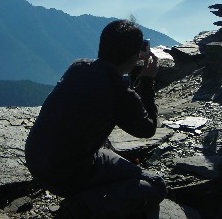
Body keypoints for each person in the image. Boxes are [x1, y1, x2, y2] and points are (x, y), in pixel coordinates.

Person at [25, 19, 168, 218]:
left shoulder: (78, 67)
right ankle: (79, 208)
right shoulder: (117, 92)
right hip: (63, 175)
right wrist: (147, 79)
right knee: (155, 185)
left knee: (111, 159)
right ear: (135, 56)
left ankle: (87, 196)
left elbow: (117, 89)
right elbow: (147, 128)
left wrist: (131, 69)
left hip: (36, 157)